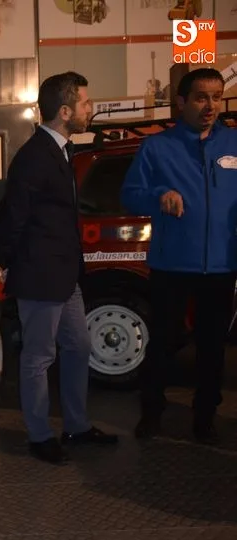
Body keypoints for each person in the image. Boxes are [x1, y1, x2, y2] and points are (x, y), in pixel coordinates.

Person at [0, 71, 118, 464]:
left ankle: (76, 426)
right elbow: (12, 217)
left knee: (79, 347)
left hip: (65, 276)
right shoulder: (34, 157)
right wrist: (10, 265)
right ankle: (39, 435)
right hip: (40, 275)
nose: (90, 109)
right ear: (65, 112)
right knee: (38, 357)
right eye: (85, 103)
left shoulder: (61, 151)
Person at [120, 67, 237, 444]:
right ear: (182, 102)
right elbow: (130, 195)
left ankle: (205, 420)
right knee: (164, 343)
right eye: (201, 97)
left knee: (212, 349)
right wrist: (159, 196)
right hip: (171, 265)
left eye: (217, 97)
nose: (211, 106)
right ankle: (151, 413)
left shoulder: (233, 144)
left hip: (221, 266)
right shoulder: (156, 147)